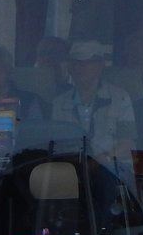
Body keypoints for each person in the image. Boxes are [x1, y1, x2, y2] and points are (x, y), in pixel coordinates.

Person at [50, 40, 137, 172]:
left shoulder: (120, 98)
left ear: (101, 65)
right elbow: (56, 147)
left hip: (114, 172)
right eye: (74, 62)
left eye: (86, 62)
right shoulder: (58, 103)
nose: (79, 67)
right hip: (72, 172)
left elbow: (127, 145)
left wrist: (99, 161)